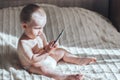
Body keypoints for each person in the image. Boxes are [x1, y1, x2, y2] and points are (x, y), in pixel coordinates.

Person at [17, 4, 96, 80]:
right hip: (33, 64)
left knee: (61, 51)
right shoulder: (24, 43)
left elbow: (45, 47)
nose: (40, 31)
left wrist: (50, 46)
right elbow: (33, 59)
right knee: (42, 69)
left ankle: (77, 59)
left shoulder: (40, 34)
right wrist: (47, 52)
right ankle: (64, 77)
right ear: (24, 26)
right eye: (37, 28)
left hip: (45, 56)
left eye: (42, 27)